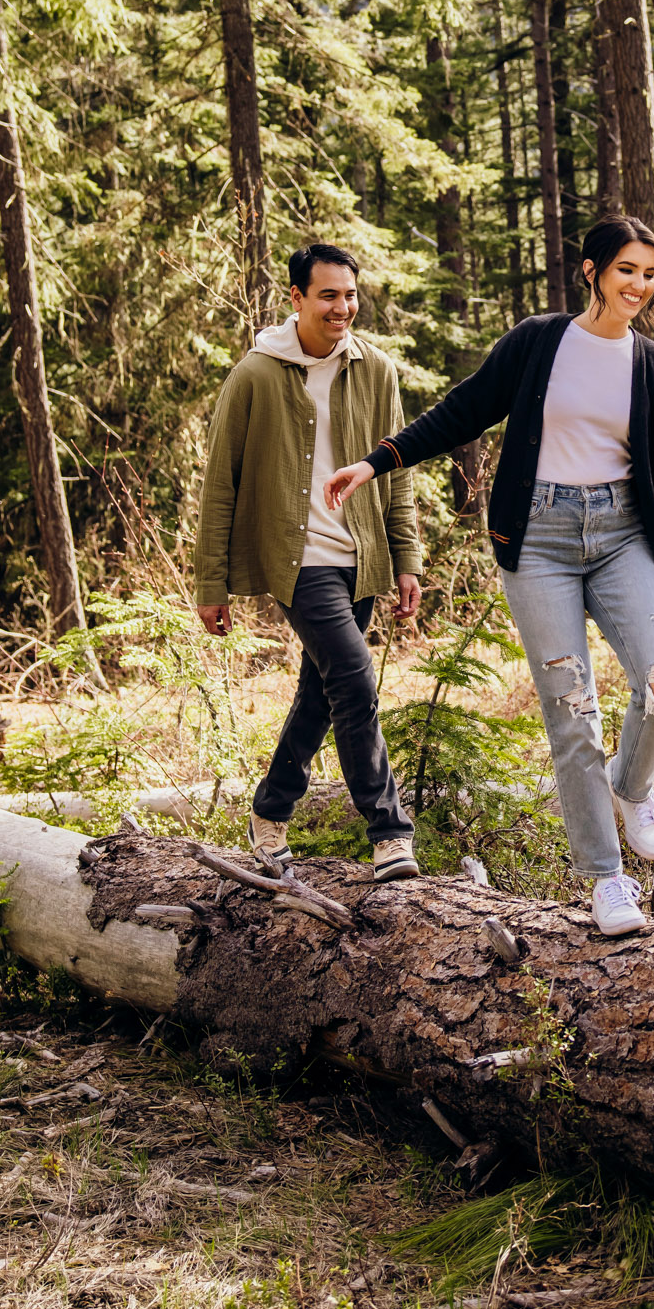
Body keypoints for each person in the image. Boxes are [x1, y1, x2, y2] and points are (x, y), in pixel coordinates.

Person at [324, 216, 654, 935]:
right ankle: (606, 883)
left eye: (648, 274)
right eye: (625, 271)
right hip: (538, 541)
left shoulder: (652, 368)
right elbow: (464, 411)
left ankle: (631, 784)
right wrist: (377, 460)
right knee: (573, 713)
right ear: (591, 272)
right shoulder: (539, 341)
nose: (638, 286)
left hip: (620, 538)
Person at [195, 240, 422, 882]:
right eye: (327, 295)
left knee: (320, 694)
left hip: (361, 557)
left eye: (350, 294)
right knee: (353, 678)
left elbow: (396, 473)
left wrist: (406, 559)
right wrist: (211, 583)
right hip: (297, 561)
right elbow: (221, 483)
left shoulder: (376, 370)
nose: (342, 307)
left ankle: (269, 815)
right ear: (295, 298)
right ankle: (390, 836)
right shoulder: (256, 374)